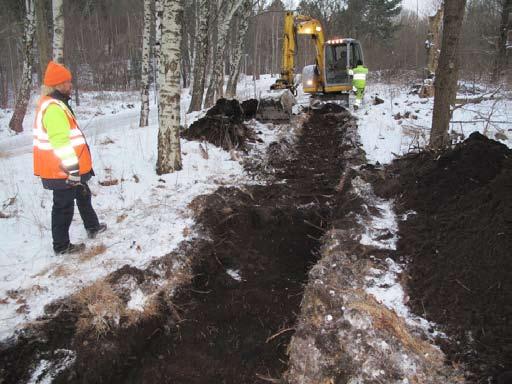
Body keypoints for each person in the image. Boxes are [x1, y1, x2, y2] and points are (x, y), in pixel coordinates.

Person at [33, 61, 106, 255]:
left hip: (69, 168)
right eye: (66, 82)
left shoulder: (58, 104)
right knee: (63, 206)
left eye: (69, 81)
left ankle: (92, 226)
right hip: (61, 170)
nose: (70, 85)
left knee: (83, 194)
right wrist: (72, 168)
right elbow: (60, 142)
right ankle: (62, 246)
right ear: (56, 85)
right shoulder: (54, 109)